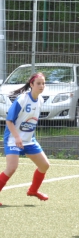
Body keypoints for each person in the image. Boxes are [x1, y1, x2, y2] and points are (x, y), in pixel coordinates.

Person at [0, 72, 50, 206]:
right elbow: (9, 121)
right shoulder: (22, 99)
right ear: (31, 84)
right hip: (13, 138)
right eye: (38, 83)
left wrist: (28, 138)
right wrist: (17, 137)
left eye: (43, 83)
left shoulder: (40, 100)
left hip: (28, 140)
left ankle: (33, 190)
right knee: (11, 168)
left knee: (44, 165)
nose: (41, 86)